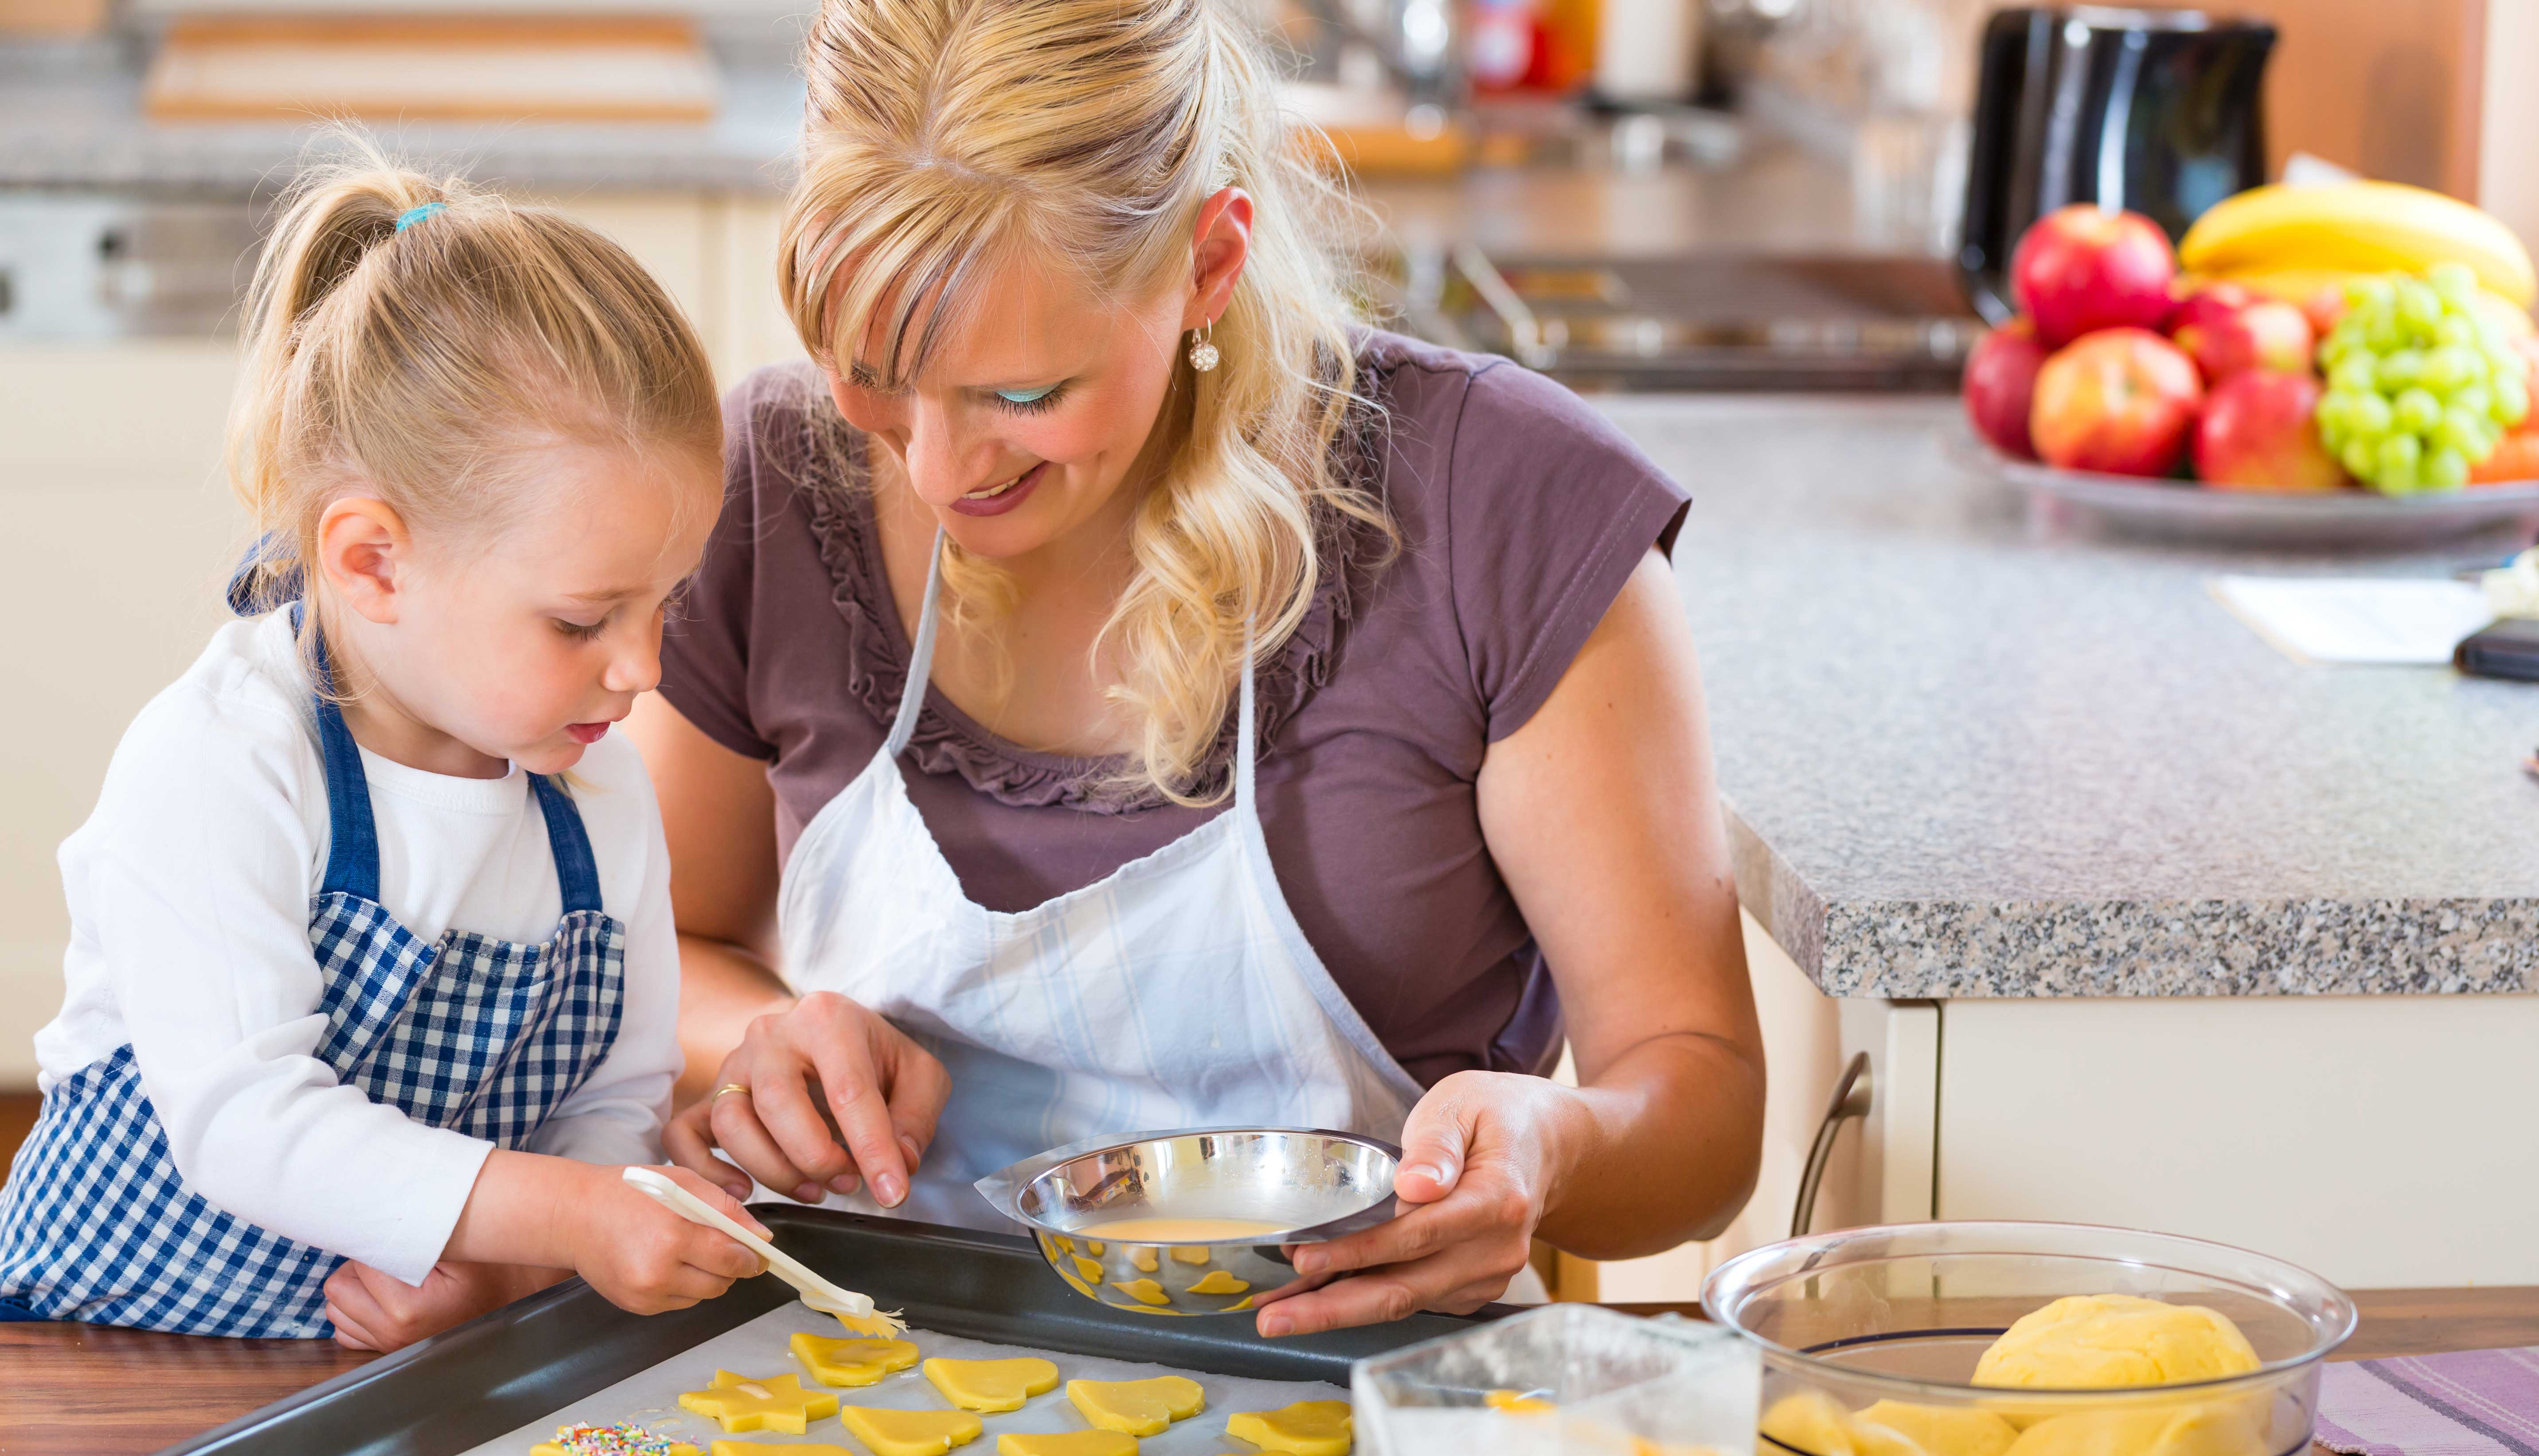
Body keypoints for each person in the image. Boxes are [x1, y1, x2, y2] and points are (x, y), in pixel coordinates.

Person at [635, 0, 1767, 1335]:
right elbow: (672, 951)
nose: (939, 470)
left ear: (1207, 266)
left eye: (1021, 395)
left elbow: (1695, 1100)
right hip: (859, 1401)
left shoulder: (1497, 506)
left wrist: (1554, 1146)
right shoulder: (772, 485)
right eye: (876, 376)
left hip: (1361, 1417)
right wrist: (762, 1052)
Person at [0, 150, 766, 1344]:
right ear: (373, 562)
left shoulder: (596, 787)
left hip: (365, 1389)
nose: (645, 669)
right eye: (582, 619)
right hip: (100, 1363)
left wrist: (506, 1277)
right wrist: (565, 1215)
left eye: (667, 603)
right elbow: (250, 1121)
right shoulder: (222, 766)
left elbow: (612, 1104)